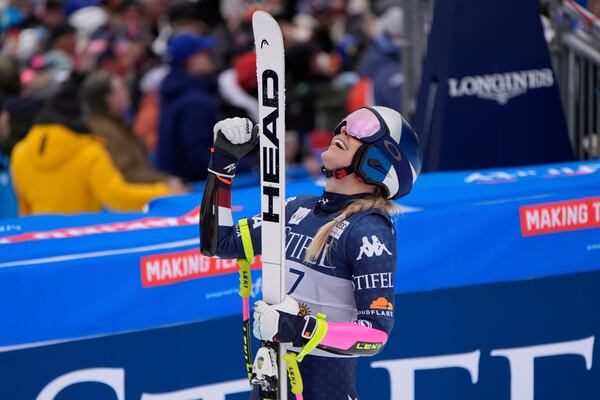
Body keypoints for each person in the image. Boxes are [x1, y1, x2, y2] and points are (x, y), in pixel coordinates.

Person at [199, 107, 422, 399]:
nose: (343, 129)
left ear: (379, 163)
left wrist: (301, 329)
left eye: (361, 128)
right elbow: (219, 242)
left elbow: (375, 335)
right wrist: (223, 163)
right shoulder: (297, 208)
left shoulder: (367, 230)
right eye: (346, 122)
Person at [10, 71, 182, 216]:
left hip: (41, 242)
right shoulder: (89, 150)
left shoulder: (19, 153)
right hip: (81, 239)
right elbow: (117, 197)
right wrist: (164, 191)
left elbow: (24, 212)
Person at [82, 70, 187, 192]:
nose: (127, 92)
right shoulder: (104, 131)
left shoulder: (118, 124)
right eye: (121, 89)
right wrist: (166, 182)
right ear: (108, 99)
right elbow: (127, 173)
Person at [157, 32, 220, 181]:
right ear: (191, 60)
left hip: (180, 185)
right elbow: (199, 159)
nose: (210, 56)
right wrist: (249, 165)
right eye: (204, 53)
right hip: (195, 190)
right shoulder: (194, 102)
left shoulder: (175, 93)